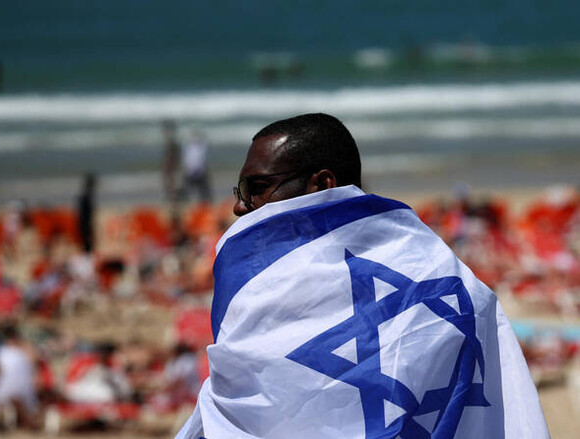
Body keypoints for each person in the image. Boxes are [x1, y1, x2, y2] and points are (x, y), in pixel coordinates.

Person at [177, 113, 548, 438]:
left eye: (256, 188)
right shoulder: (261, 293)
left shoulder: (447, 282)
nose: (239, 206)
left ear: (321, 185)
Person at [180, 129, 211, 202]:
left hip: (200, 171)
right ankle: (183, 201)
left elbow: (203, 159)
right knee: (186, 188)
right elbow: (186, 159)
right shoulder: (188, 147)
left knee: (203, 189)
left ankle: (206, 201)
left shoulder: (202, 147)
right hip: (190, 171)